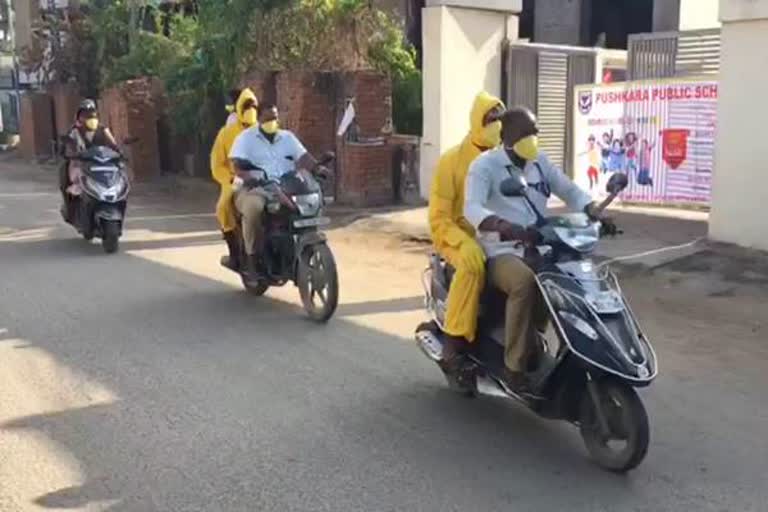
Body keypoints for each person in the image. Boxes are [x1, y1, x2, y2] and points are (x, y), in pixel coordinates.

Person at [464, 107, 609, 390]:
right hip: (500, 250)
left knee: (567, 281)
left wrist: (592, 209)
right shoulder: (484, 165)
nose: (531, 139)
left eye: (534, 133)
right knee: (525, 282)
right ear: (505, 136)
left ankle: (539, 342)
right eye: (524, 134)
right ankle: (514, 366)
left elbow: (568, 189)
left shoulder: (539, 161)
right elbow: (471, 207)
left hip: (538, 244)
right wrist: (502, 225)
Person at [428, 91, 505, 358]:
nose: (496, 125)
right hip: (456, 235)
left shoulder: (505, 159)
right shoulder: (452, 161)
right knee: (473, 266)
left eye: (500, 119)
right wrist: (464, 241)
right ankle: (454, 339)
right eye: (490, 119)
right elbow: (439, 218)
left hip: (497, 234)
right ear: (476, 121)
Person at [228, 103, 321, 276]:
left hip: (285, 187)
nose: (273, 121)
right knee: (253, 209)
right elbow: (237, 167)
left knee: (304, 206)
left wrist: (317, 168)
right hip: (254, 188)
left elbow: (304, 157)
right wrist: (254, 178)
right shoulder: (245, 138)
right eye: (268, 118)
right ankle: (252, 258)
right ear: (259, 118)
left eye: (275, 117)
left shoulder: (287, 137)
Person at [211, 88, 259, 269]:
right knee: (223, 207)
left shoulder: (265, 130)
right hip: (236, 180)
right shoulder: (226, 133)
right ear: (239, 108)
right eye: (247, 106)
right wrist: (230, 179)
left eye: (253, 105)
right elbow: (217, 165)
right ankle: (234, 253)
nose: (251, 109)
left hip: (265, 180)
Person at [60, 100, 119, 219]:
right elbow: (68, 147)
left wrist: (119, 151)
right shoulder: (75, 131)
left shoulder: (102, 129)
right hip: (80, 164)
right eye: (85, 114)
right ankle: (72, 210)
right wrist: (72, 153)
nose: (89, 117)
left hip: (101, 163)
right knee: (73, 181)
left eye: (92, 114)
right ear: (79, 116)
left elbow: (113, 145)